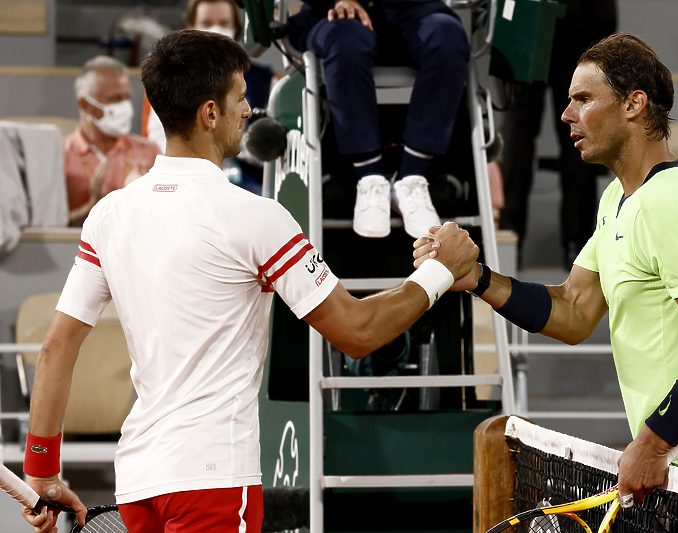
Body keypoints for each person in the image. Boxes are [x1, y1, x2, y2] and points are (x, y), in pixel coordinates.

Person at [21, 29, 477, 533]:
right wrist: (440, 271)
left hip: (139, 483)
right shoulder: (256, 217)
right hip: (213, 479)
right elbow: (358, 331)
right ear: (209, 113)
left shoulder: (109, 214)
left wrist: (41, 470)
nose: (248, 110)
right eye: (240, 98)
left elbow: (56, 348)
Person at [414, 33, 678, 502]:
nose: (566, 115)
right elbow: (573, 310)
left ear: (634, 104)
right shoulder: (618, 199)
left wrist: (652, 442)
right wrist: (478, 278)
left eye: (583, 99)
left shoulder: (668, 202)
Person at [288, 0, 470, 239]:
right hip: (336, 17)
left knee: (449, 38)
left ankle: (411, 177)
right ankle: (370, 177)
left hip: (417, 10)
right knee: (345, 41)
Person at [498, 0, 617, 269]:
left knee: (573, 133)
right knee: (524, 135)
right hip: (546, 24)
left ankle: (520, 237)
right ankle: (518, 238)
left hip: (554, 25)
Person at [141, 0, 275, 195]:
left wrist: (242, 140)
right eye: (206, 23)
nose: (215, 30)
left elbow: (275, 150)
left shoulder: (265, 80)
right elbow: (157, 140)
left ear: (236, 29)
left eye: (223, 23)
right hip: (184, 180)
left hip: (249, 181)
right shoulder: (167, 76)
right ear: (190, 28)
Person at [64, 56, 161, 226]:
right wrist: (92, 207)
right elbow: (53, 228)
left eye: (127, 98)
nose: (125, 107)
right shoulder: (60, 156)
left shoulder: (150, 152)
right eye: (115, 99)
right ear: (85, 105)